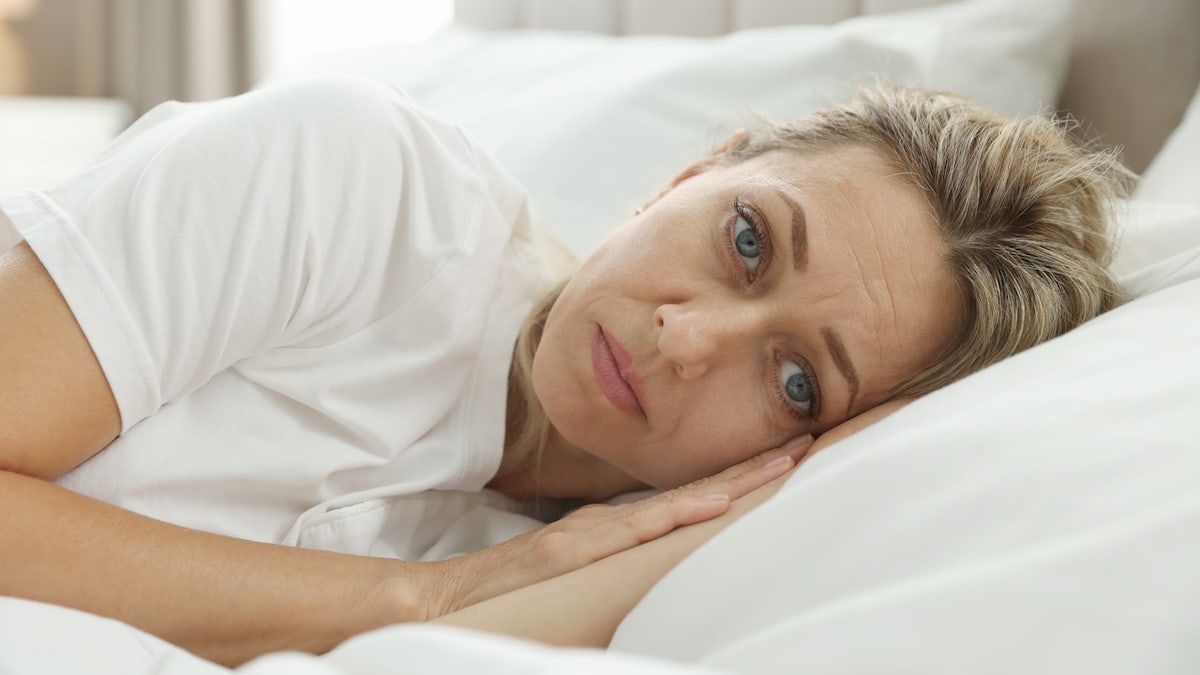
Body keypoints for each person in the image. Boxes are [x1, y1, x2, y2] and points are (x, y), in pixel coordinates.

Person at [0, 75, 1129, 666]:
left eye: (796, 382)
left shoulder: (613, 566)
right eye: (746, 240)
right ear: (687, 177)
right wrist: (427, 597)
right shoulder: (360, 182)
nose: (687, 341)